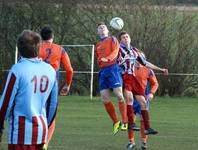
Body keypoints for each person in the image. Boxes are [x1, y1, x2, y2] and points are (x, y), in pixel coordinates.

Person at [0, 30, 58, 150]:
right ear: (39, 48)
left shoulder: (17, 70)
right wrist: (45, 125)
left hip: (20, 133)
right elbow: (52, 105)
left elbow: (6, 103)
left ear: (19, 49)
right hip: (41, 133)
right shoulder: (51, 71)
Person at [117, 31, 168, 137]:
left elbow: (145, 63)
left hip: (133, 78)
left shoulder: (134, 51)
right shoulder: (118, 49)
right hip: (124, 76)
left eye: (127, 36)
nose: (126, 38)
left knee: (143, 102)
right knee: (129, 99)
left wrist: (160, 69)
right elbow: (111, 58)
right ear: (120, 40)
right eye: (123, 37)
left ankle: (148, 127)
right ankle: (131, 123)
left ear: (130, 39)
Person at [39, 26, 73, 149]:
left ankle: (34, 139)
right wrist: (67, 85)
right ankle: (45, 143)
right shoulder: (60, 49)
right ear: (52, 37)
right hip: (52, 85)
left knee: (36, 113)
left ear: (41, 37)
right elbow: (69, 69)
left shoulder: (35, 48)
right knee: (51, 115)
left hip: (36, 85)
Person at [95, 22, 127, 135]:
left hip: (113, 69)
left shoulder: (112, 39)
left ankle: (125, 121)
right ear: (97, 32)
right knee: (104, 98)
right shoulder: (98, 45)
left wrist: (108, 59)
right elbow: (98, 59)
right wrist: (101, 61)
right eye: (99, 28)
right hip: (103, 72)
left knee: (119, 95)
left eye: (103, 27)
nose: (102, 28)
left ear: (107, 30)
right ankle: (116, 122)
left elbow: (115, 52)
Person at [127, 59, 159, 150]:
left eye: (140, 59)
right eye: (136, 59)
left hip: (143, 98)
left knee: (143, 122)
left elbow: (155, 83)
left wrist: (151, 93)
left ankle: (144, 143)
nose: (138, 61)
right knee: (131, 121)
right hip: (131, 99)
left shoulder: (148, 70)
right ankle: (131, 142)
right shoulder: (129, 69)